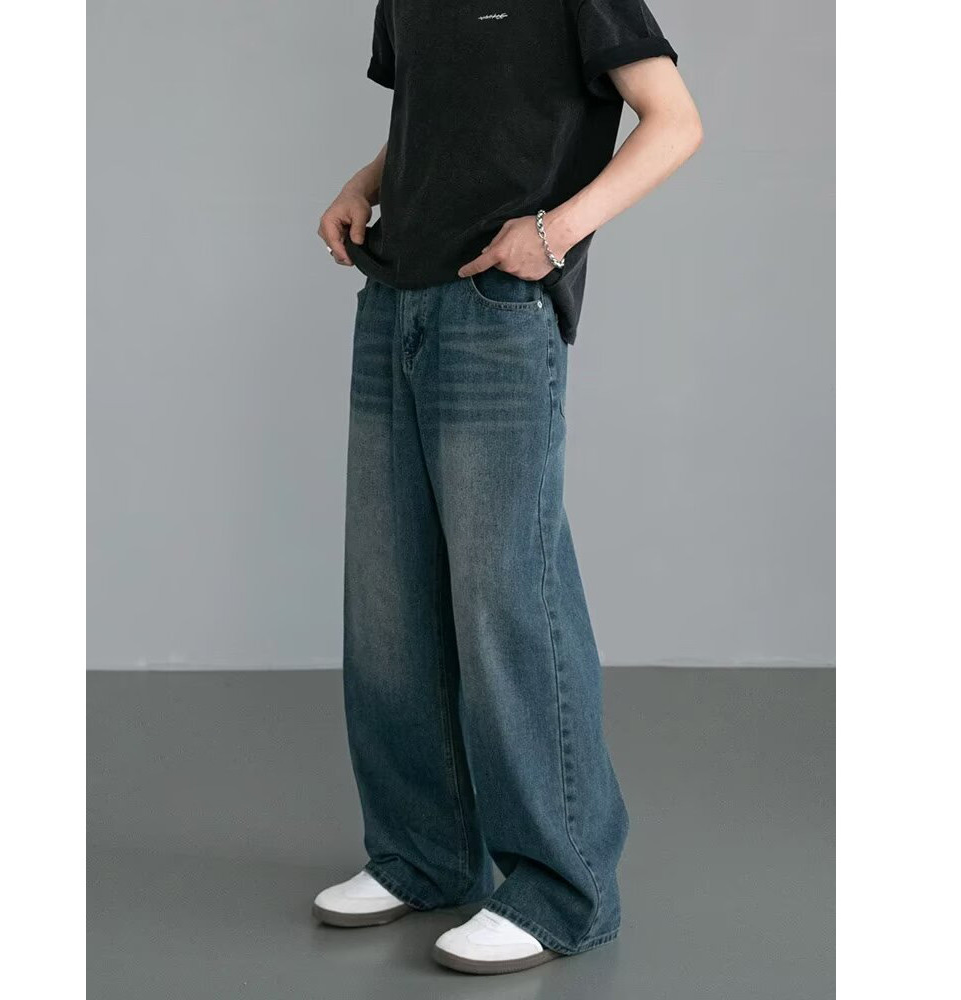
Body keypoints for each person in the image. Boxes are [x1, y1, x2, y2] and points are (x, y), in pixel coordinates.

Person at [313, 0, 702, 976]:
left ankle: (562, 889)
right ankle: (421, 857)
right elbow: (444, 120)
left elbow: (675, 121)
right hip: (393, 295)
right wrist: (363, 184)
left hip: (496, 304)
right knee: (389, 602)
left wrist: (555, 232)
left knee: (506, 597)